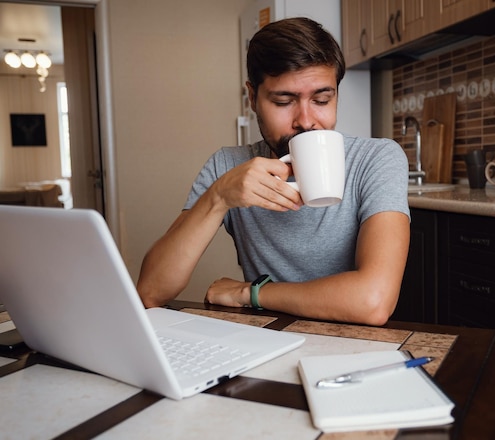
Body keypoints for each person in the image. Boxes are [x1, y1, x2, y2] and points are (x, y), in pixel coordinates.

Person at [137, 17, 410, 326]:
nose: (306, 120)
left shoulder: (376, 159)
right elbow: (151, 292)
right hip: (266, 340)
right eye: (284, 100)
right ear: (252, 98)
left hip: (353, 345)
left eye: (322, 99)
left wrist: (250, 293)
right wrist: (219, 197)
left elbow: (373, 302)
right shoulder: (228, 166)